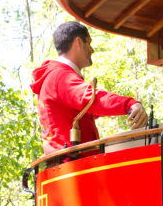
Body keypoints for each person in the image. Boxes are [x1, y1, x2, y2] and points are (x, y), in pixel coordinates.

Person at [30, 21, 148, 153]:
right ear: (78, 42)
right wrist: (129, 104)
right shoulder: (60, 76)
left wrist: (106, 110)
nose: (92, 50)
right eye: (89, 43)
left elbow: (78, 112)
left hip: (71, 164)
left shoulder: (55, 75)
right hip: (74, 166)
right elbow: (91, 99)